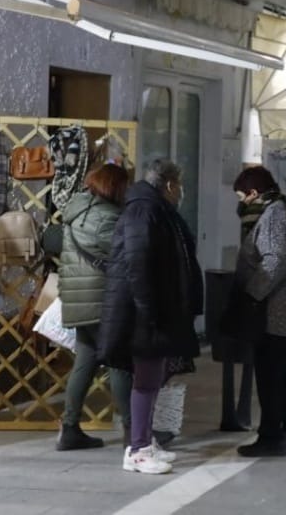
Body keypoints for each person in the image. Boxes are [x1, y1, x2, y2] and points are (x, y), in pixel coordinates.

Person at [99, 159, 200, 475]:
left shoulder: (151, 208)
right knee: (145, 380)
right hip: (144, 311)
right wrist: (149, 309)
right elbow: (138, 262)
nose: (180, 192)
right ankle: (139, 450)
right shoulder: (144, 210)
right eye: (179, 185)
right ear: (169, 184)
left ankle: (144, 441)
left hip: (152, 308)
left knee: (153, 378)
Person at [233, 165, 286, 457]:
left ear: (254, 193)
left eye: (243, 196)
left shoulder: (273, 214)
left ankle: (272, 436)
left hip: (276, 310)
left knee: (270, 375)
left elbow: (276, 258)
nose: (241, 203)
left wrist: (253, 293)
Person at [56, 163, 132, 451]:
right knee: (119, 361)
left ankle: (70, 427)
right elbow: (123, 257)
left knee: (84, 363)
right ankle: (133, 431)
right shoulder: (109, 218)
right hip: (103, 302)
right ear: (115, 187)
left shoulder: (75, 212)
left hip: (77, 301)